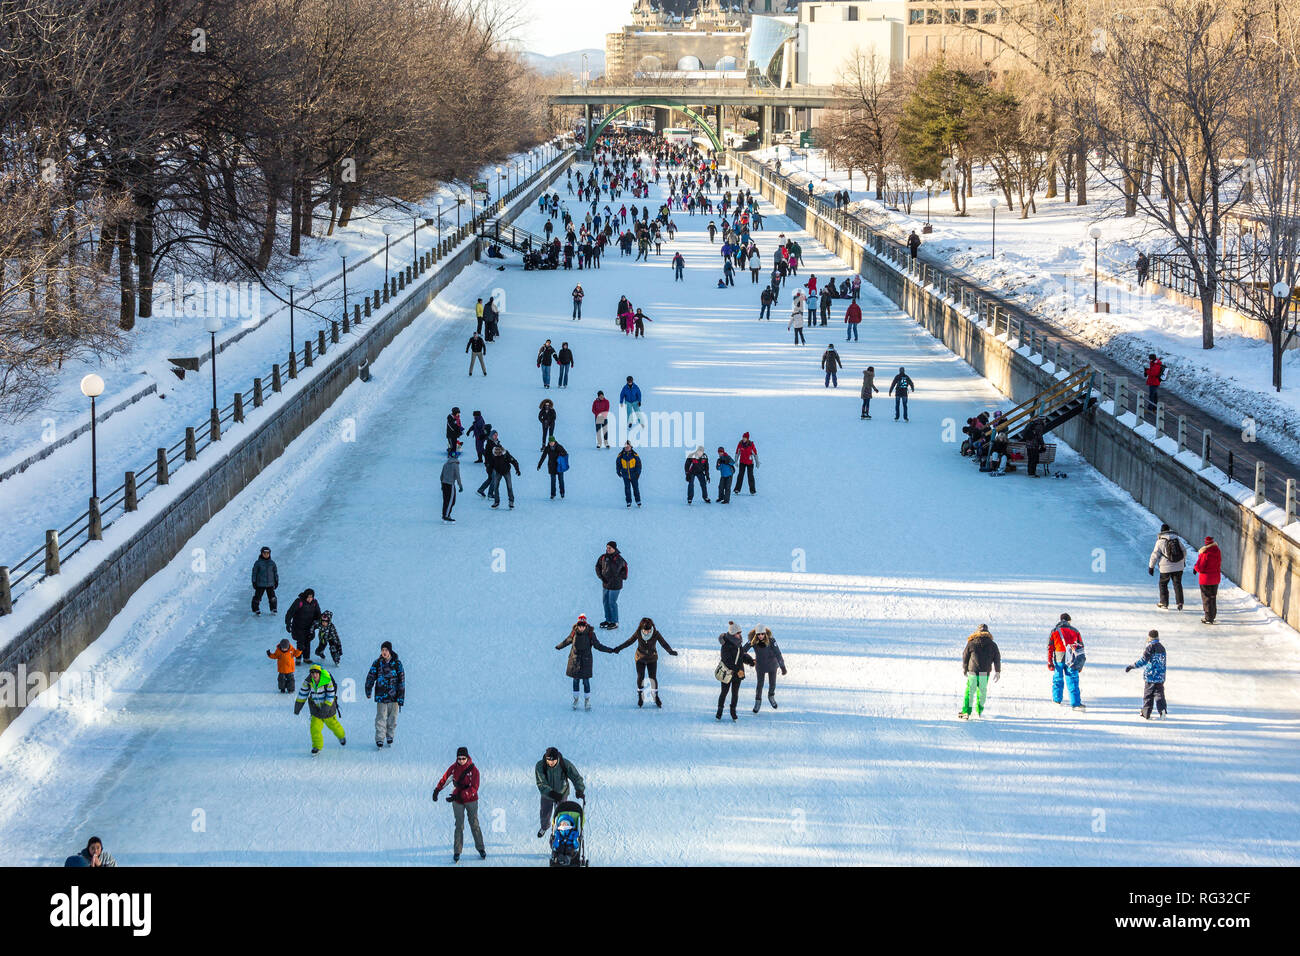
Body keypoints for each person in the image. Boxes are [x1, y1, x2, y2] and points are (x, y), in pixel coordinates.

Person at [432, 747, 486, 861]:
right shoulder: (453, 768)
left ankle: (481, 848)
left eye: (463, 758)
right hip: (457, 801)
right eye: (459, 758)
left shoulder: (474, 771)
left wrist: (461, 795)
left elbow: (474, 788)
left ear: (467, 757)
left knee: (474, 823)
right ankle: (457, 851)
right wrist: (437, 790)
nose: (461, 760)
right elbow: (445, 779)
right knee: (459, 826)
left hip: (471, 800)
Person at [612, 616, 677, 708]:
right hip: (640, 658)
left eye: (649, 630)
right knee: (640, 677)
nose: (647, 632)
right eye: (646, 631)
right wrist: (619, 648)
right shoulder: (638, 633)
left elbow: (663, 643)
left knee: (653, 678)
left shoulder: (655, 633)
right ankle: (640, 696)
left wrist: (670, 651)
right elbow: (629, 641)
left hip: (652, 658)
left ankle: (655, 696)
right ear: (642, 629)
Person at [557, 613, 616, 709]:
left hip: (586, 661)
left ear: (586, 625)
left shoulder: (590, 634)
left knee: (586, 681)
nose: (581, 628)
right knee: (575, 681)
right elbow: (567, 641)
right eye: (579, 626)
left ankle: (587, 700)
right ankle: (575, 700)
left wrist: (610, 650)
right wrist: (559, 646)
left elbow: (598, 646)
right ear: (577, 625)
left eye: (583, 626)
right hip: (574, 660)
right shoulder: (573, 633)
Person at [294, 662, 346, 754]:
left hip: (328, 709)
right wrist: (297, 707)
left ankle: (341, 736)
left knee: (334, 725)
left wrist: (325, 709)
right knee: (314, 728)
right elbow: (303, 693)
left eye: (316, 673)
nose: (314, 675)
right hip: (316, 709)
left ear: (320, 673)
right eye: (312, 673)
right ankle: (317, 746)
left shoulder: (327, 681)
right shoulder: (308, 682)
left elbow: (331, 695)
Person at [535, 747, 585, 838]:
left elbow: (575, 776)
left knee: (562, 814)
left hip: (562, 793)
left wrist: (579, 789)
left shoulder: (564, 764)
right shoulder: (540, 766)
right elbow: (541, 783)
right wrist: (551, 793)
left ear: (557, 758)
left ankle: (562, 830)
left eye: (553, 760)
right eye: (548, 760)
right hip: (547, 795)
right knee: (545, 813)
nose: (551, 762)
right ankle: (544, 827)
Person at [365, 641, 405, 748]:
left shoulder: (397, 664)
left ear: (390, 651)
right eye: (382, 650)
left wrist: (401, 697)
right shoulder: (377, 663)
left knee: (392, 718)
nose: (384, 652)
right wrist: (368, 690)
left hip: (394, 696)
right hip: (381, 695)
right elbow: (371, 676)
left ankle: (390, 735)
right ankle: (380, 738)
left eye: (386, 650)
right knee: (381, 717)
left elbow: (401, 681)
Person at [959, 624, 1001, 719]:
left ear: (977, 632)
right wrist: (997, 671)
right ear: (988, 632)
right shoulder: (993, 645)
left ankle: (966, 711)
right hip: (984, 673)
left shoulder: (971, 643)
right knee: (982, 692)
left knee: (970, 691)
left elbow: (965, 656)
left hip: (973, 671)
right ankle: (979, 710)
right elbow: (997, 658)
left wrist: (965, 669)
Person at [715, 621, 755, 722]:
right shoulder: (726, 645)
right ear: (733, 634)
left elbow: (742, 655)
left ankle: (733, 712)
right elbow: (727, 661)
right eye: (738, 633)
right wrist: (738, 670)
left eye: (740, 632)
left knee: (735, 693)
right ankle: (719, 712)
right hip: (727, 673)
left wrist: (750, 661)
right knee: (724, 692)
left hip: (737, 674)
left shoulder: (738, 643)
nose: (740, 635)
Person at [1125, 629, 1168, 720]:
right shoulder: (1162, 647)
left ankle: (1146, 713)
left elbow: (1143, 660)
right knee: (1159, 694)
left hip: (1150, 676)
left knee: (1148, 695)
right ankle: (1162, 710)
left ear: (1149, 637)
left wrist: (1132, 666)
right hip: (1160, 676)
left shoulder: (1150, 647)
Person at [744, 625, 787, 713]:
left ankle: (771, 696)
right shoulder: (753, 641)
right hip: (760, 666)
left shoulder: (771, 640)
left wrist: (782, 667)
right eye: (758, 634)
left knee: (772, 683)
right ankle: (758, 701)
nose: (760, 636)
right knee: (760, 685)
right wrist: (750, 660)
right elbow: (743, 650)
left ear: (765, 634)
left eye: (762, 634)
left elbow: (778, 653)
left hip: (772, 665)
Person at [1047, 613, 1085, 711]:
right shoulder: (1075, 631)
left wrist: (1050, 661)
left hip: (1058, 659)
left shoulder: (1054, 631)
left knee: (1057, 679)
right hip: (1072, 659)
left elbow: (1050, 648)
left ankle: (1056, 700)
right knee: (1072, 680)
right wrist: (1080, 665)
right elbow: (1081, 648)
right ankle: (1076, 704)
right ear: (1069, 621)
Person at [1148, 523, 1186, 609]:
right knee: (1177, 584)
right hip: (1179, 566)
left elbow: (1155, 555)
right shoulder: (1176, 539)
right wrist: (1183, 562)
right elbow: (1184, 551)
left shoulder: (1160, 541)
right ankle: (1180, 602)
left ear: (1161, 531)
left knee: (1163, 584)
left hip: (1165, 568)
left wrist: (1151, 567)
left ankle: (1164, 603)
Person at [284, 588, 322, 665]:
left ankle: (306, 658)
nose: (310, 599)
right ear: (305, 596)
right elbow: (290, 613)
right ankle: (298, 659)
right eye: (308, 597)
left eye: (311, 597)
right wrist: (288, 624)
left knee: (307, 642)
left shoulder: (314, 603)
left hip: (309, 626)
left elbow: (318, 614)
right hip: (298, 626)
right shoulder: (299, 602)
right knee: (300, 643)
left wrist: (318, 623)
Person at [596, 540, 628, 628]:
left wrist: (619, 577)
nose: (608, 549)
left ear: (614, 548)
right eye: (607, 547)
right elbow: (597, 566)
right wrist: (601, 577)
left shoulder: (619, 559)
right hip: (606, 584)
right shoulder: (603, 557)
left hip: (615, 586)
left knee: (612, 602)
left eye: (610, 548)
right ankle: (608, 620)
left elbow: (625, 569)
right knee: (605, 602)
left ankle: (615, 622)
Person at [1194, 536, 1222, 624]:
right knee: (1213, 597)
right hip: (1215, 578)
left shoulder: (1205, 553)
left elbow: (1200, 568)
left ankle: (1208, 617)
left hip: (1205, 580)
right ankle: (1213, 615)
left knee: (1206, 598)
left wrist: (1195, 568)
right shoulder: (1218, 551)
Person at [487, 444, 520, 510]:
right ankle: (496, 502)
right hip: (498, 472)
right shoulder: (493, 455)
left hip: (506, 472)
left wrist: (517, 470)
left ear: (501, 449)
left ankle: (511, 502)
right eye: (496, 450)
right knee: (495, 487)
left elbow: (514, 461)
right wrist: (489, 472)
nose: (498, 452)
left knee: (509, 487)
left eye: (499, 450)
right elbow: (490, 465)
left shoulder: (505, 454)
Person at [251, 546, 279, 615]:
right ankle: (255, 609)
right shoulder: (258, 563)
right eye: (264, 553)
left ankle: (273, 608)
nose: (266, 555)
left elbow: (275, 573)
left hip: (270, 584)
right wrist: (254, 582)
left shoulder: (272, 563)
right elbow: (254, 573)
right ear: (261, 554)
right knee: (257, 597)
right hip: (260, 584)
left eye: (267, 553)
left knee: (272, 597)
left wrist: (276, 581)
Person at [441, 445, 464, 522]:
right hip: (450, 484)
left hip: (444, 484)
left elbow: (441, 475)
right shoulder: (455, 465)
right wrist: (460, 486)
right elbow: (458, 476)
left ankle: (445, 514)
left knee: (446, 500)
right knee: (451, 501)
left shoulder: (446, 464)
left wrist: (442, 485)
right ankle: (446, 516)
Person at [616, 442, 642, 508]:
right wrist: (618, 471)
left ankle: (638, 501)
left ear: (631, 446)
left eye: (628, 446)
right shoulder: (621, 455)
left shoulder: (634, 455)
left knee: (636, 488)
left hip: (634, 476)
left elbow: (639, 465)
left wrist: (638, 473)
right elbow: (618, 464)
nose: (627, 448)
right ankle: (628, 502)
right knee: (627, 489)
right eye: (626, 446)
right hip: (625, 476)